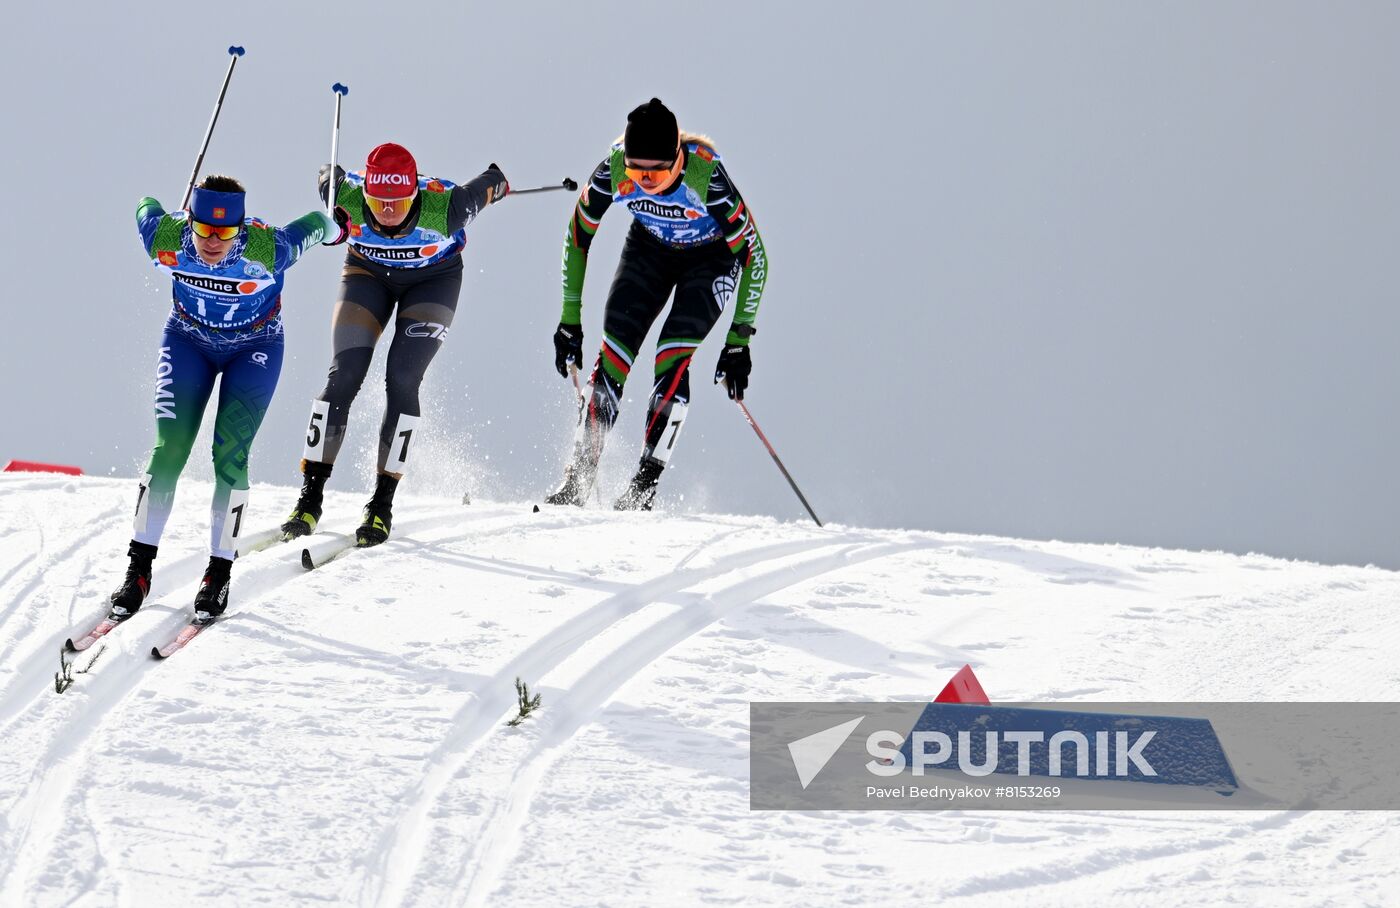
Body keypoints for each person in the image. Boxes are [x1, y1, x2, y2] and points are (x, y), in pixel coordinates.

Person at [108, 175, 346, 624]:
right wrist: (169, 219)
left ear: (240, 229)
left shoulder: (266, 248)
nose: (213, 242)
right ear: (191, 222)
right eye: (203, 231)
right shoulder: (166, 238)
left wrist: (338, 229)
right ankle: (138, 571)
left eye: (225, 233)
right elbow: (144, 203)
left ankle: (218, 574)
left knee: (230, 455)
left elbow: (314, 224)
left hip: (254, 349)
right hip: (187, 343)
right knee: (168, 451)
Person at [281, 143, 509, 546]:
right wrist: (329, 190)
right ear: (365, 192)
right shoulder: (346, 196)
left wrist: (499, 180)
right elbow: (326, 171)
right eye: (378, 201)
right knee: (344, 376)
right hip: (367, 275)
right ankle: (310, 497)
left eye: (399, 202)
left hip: (433, 280)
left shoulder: (449, 206)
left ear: (414, 194)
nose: (387, 211)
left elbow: (490, 183)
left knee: (402, 377)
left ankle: (381, 505)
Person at [546, 98, 769, 510]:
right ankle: (578, 482)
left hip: (711, 257)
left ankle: (642, 488)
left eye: (658, 171)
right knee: (614, 349)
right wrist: (569, 322)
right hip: (649, 251)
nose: (645, 179)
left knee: (672, 353)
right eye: (637, 170)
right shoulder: (614, 169)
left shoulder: (705, 178)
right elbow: (577, 237)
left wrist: (739, 340)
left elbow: (755, 256)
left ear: (678, 159)